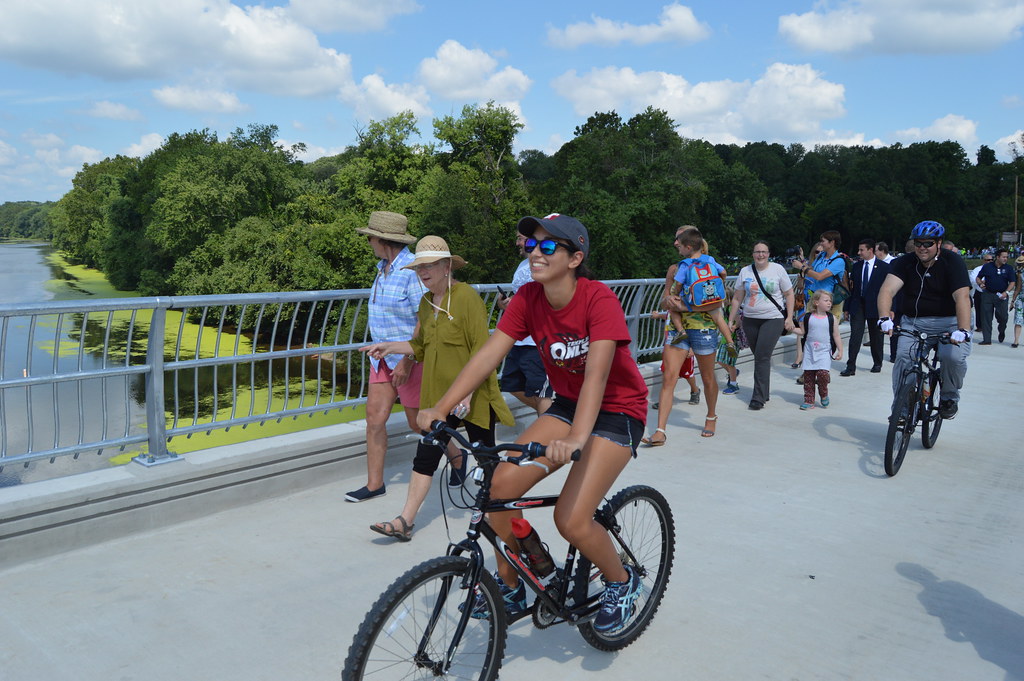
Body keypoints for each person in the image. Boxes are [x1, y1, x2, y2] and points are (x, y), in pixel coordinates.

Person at [416, 213, 649, 635]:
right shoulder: (527, 299)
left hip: (618, 410)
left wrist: (578, 437)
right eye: (530, 245)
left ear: (575, 257)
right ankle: (527, 574)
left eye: (547, 246)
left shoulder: (599, 299)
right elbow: (488, 355)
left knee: (572, 520)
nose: (534, 253)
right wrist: (441, 406)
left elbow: (597, 373)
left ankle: (621, 581)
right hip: (567, 405)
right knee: (496, 492)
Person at [361, 236, 514, 541]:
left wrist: (468, 394)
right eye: (420, 267)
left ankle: (503, 513)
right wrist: (387, 346)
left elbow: (483, 351)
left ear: (447, 266)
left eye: (430, 266)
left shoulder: (466, 297)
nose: (424, 272)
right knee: (426, 456)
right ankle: (405, 521)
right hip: (439, 400)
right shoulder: (425, 302)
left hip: (473, 396)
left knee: (487, 457)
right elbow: (418, 346)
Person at [346, 211, 425, 503]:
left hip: (409, 358)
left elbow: (424, 319)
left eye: (370, 237)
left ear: (383, 240)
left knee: (420, 423)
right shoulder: (383, 268)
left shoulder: (412, 270)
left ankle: (457, 460)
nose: (367, 242)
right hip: (381, 357)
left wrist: (407, 360)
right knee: (374, 420)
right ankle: (374, 484)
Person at [645, 226, 734, 442]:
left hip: (703, 329)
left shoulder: (693, 265)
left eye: (678, 240)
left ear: (688, 244)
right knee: (669, 377)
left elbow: (712, 299)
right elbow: (667, 299)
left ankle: (711, 416)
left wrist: (686, 305)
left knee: (707, 376)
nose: (675, 243)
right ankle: (660, 431)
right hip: (677, 329)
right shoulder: (699, 264)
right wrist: (676, 304)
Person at [877, 220, 972, 420]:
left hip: (949, 323)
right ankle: (902, 409)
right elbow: (887, 290)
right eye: (918, 243)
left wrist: (962, 330)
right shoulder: (905, 262)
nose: (922, 248)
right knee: (903, 360)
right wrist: (884, 317)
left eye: (928, 243)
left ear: (939, 243)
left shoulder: (952, 262)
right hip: (914, 323)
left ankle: (949, 396)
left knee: (952, 357)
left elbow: (962, 297)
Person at [729, 240, 795, 410]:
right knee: (759, 356)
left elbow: (789, 294)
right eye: (757, 252)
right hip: (750, 319)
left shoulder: (778, 270)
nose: (760, 255)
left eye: (764, 252)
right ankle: (764, 391)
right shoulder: (745, 271)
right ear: (753, 254)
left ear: (769, 254)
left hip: (772, 319)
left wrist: (789, 317)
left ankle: (757, 398)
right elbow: (737, 298)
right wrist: (732, 318)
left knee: (762, 356)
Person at [497, 230, 553, 415]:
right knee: (512, 384)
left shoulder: (547, 265)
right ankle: (555, 419)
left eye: (520, 239)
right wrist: (505, 304)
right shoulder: (523, 264)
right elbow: (522, 297)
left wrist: (520, 305)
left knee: (541, 392)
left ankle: (548, 434)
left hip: (537, 341)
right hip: (518, 339)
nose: (517, 243)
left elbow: (548, 297)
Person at [840, 239, 890, 376]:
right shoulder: (856, 267)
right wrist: (847, 308)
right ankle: (851, 366)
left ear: (870, 250)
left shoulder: (884, 267)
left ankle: (877, 362)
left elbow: (889, 290)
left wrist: (889, 309)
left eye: (861, 250)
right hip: (858, 305)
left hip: (875, 306)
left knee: (876, 336)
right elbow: (852, 288)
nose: (859, 253)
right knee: (855, 335)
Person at [793, 290, 843, 409]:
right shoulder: (808, 317)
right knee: (808, 376)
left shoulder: (831, 318)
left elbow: (836, 335)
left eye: (830, 301)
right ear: (816, 302)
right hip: (810, 351)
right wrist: (792, 328)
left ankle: (823, 392)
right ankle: (809, 400)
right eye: (826, 300)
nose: (829, 303)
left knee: (823, 373)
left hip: (824, 351)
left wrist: (840, 350)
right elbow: (802, 332)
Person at [792, 230, 846, 320]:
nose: (821, 244)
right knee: (810, 328)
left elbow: (820, 276)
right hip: (814, 298)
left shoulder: (838, 261)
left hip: (828, 301)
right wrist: (801, 260)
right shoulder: (821, 256)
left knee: (825, 330)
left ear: (832, 243)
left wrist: (801, 267)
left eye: (823, 241)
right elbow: (811, 271)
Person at [975, 248, 1016, 344]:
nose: (1005, 259)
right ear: (997, 257)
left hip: (1001, 295)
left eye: (1006, 257)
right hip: (988, 294)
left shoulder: (1008, 268)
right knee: (986, 317)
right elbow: (978, 277)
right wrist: (980, 283)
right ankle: (987, 339)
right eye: (1003, 257)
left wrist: (1006, 292)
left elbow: (1012, 282)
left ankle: (1001, 330)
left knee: (1003, 317)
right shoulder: (987, 267)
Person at [969, 252, 994, 333]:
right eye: (988, 260)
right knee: (978, 309)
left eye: (991, 260)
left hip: (990, 293)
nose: (990, 261)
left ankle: (987, 325)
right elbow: (972, 279)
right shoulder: (977, 269)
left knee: (989, 310)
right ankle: (979, 326)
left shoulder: (995, 269)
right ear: (984, 261)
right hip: (979, 292)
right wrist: (980, 282)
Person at [1012, 255, 1024, 348]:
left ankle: (1016, 341)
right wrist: (1013, 300)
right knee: (1018, 320)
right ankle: (1016, 340)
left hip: (1021, 298)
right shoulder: (1020, 274)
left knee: (1018, 320)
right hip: (1021, 299)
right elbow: (1018, 288)